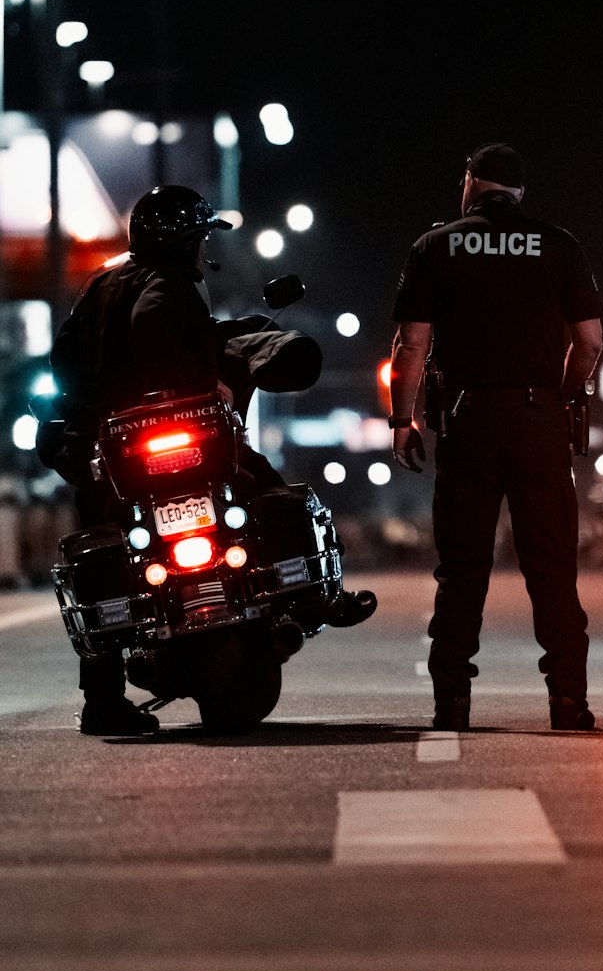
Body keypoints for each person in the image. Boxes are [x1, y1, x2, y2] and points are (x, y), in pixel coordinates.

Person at [44, 184, 375, 738]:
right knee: (260, 479)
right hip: (178, 434)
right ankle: (323, 597)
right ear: (187, 242)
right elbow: (164, 342)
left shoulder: (99, 285)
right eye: (198, 238)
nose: (202, 249)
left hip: (110, 448)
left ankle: (101, 697)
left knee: (106, 546)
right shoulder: (168, 288)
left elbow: (64, 364)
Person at [388, 141, 603, 730]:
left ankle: (452, 702)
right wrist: (562, 397)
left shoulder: (435, 245)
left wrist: (402, 419)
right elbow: (589, 342)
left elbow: (412, 344)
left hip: (468, 423)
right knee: (552, 566)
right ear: (519, 192)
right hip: (539, 423)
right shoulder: (558, 244)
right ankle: (568, 700)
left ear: (471, 182)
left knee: (462, 569)